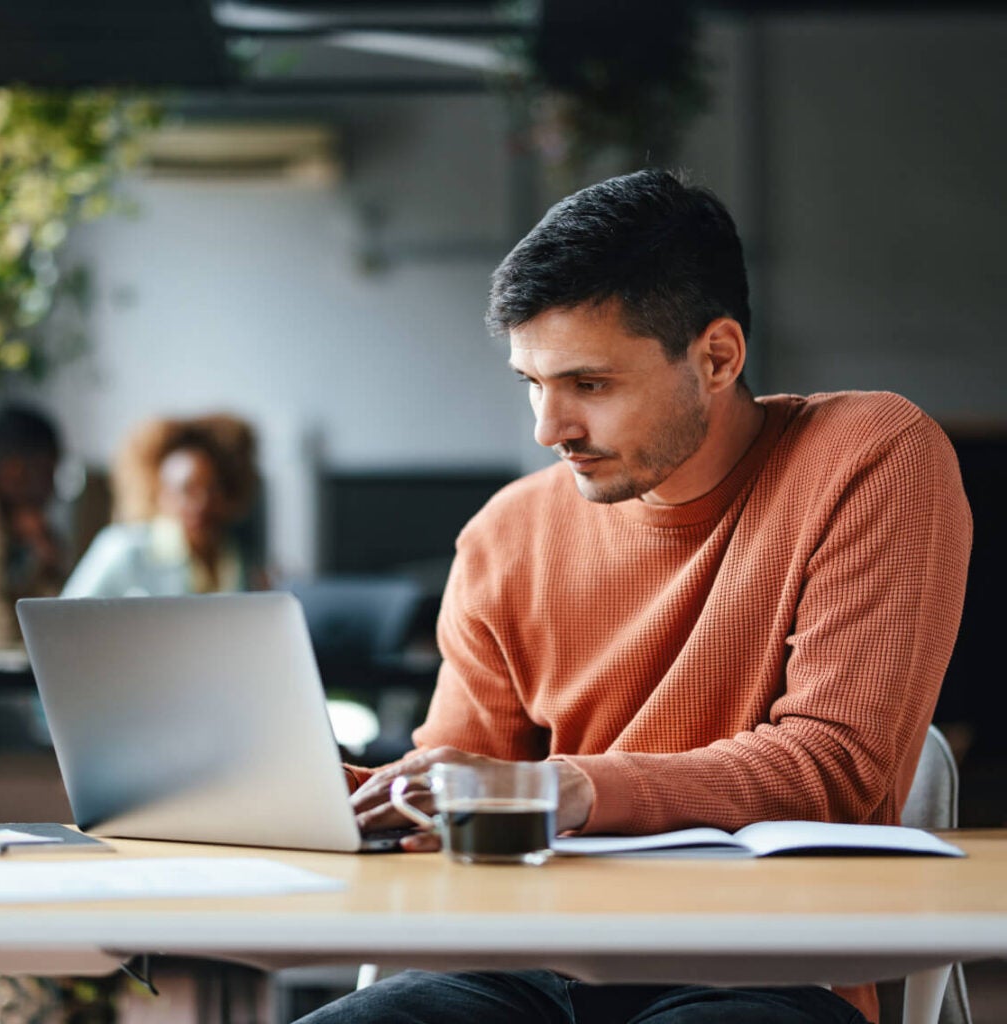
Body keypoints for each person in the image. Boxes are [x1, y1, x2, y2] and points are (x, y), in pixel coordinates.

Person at [296, 169, 972, 1024]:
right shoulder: (505, 533)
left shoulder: (870, 458)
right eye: (532, 384)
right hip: (515, 970)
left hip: (762, 967)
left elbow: (831, 766)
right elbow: (451, 800)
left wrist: (565, 787)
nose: (549, 429)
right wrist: (344, 796)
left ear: (717, 357)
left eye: (590, 384)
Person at [62, 412, 267, 597]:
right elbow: (64, 621)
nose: (201, 503)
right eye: (187, 490)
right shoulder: (123, 549)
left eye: (213, 489)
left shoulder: (239, 555)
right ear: (161, 494)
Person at [0, 402, 68, 648]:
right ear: (15, 471)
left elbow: (52, 626)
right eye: (50, 472)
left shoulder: (15, 525)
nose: (52, 490)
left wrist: (46, 561)